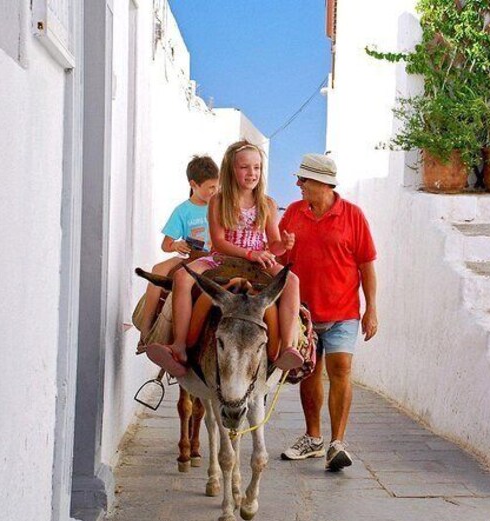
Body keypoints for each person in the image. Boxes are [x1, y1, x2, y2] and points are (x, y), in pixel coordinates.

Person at [146, 140, 303, 376]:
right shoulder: (218, 201)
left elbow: (274, 244)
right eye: (245, 167)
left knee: (292, 281)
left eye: (257, 168)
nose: (252, 173)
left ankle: (287, 347)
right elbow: (219, 242)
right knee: (181, 276)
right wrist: (250, 253)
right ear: (231, 170)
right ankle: (179, 345)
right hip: (222, 259)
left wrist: (283, 245)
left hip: (256, 262)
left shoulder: (268, 204)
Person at [279, 154, 378, 472]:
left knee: (341, 371)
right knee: (309, 373)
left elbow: (366, 266)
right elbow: (279, 258)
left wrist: (371, 309)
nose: (298, 185)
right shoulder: (293, 213)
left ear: (321, 183)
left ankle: (337, 443)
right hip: (303, 314)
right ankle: (313, 438)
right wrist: (283, 245)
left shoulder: (353, 216)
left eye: (303, 180)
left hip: (344, 312)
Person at [136, 155, 219, 351]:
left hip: (214, 258)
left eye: (217, 187)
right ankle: (146, 329)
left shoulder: (219, 207)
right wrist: (177, 245)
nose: (215, 191)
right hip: (190, 257)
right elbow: (166, 244)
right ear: (194, 184)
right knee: (157, 270)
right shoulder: (183, 211)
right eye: (210, 188)